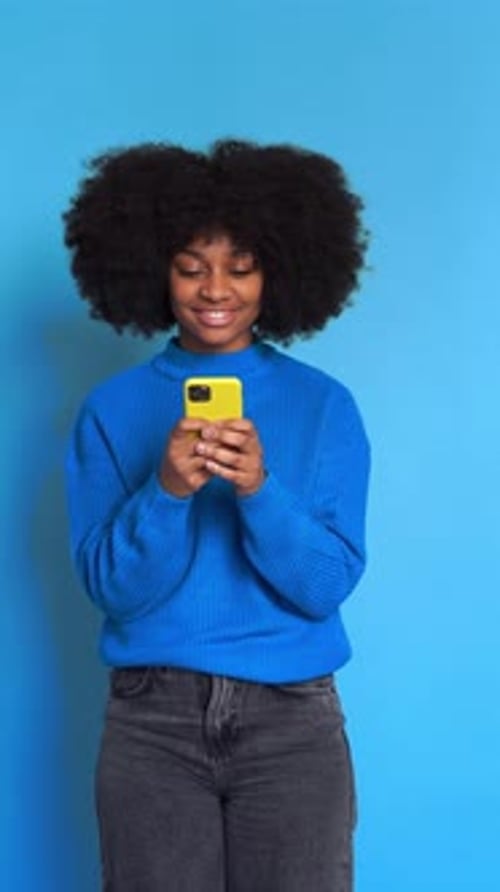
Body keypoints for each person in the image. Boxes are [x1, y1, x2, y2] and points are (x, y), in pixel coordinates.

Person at [63, 138, 371, 892]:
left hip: (292, 723)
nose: (214, 290)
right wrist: (165, 491)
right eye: (191, 266)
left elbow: (324, 585)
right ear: (155, 272)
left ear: (280, 274)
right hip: (152, 722)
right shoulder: (110, 411)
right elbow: (115, 589)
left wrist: (260, 489)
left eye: (241, 266)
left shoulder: (324, 406)